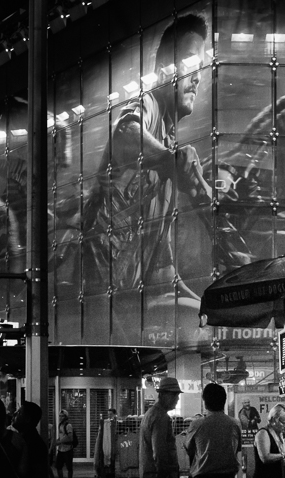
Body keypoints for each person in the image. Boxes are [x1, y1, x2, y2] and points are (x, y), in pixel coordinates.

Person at [83, 14, 210, 296]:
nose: (198, 77)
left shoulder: (167, 137)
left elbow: (163, 269)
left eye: (200, 67)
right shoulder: (147, 105)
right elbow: (125, 134)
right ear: (164, 67)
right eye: (190, 63)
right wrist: (170, 159)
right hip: (97, 292)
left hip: (124, 300)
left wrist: (203, 308)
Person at [53, 409, 74, 478]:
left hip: (68, 449)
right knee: (58, 466)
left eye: (62, 416)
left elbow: (70, 438)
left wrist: (59, 442)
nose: (61, 417)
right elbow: (62, 436)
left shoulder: (68, 426)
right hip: (61, 449)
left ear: (66, 417)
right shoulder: (60, 425)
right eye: (60, 416)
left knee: (69, 467)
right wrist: (56, 441)